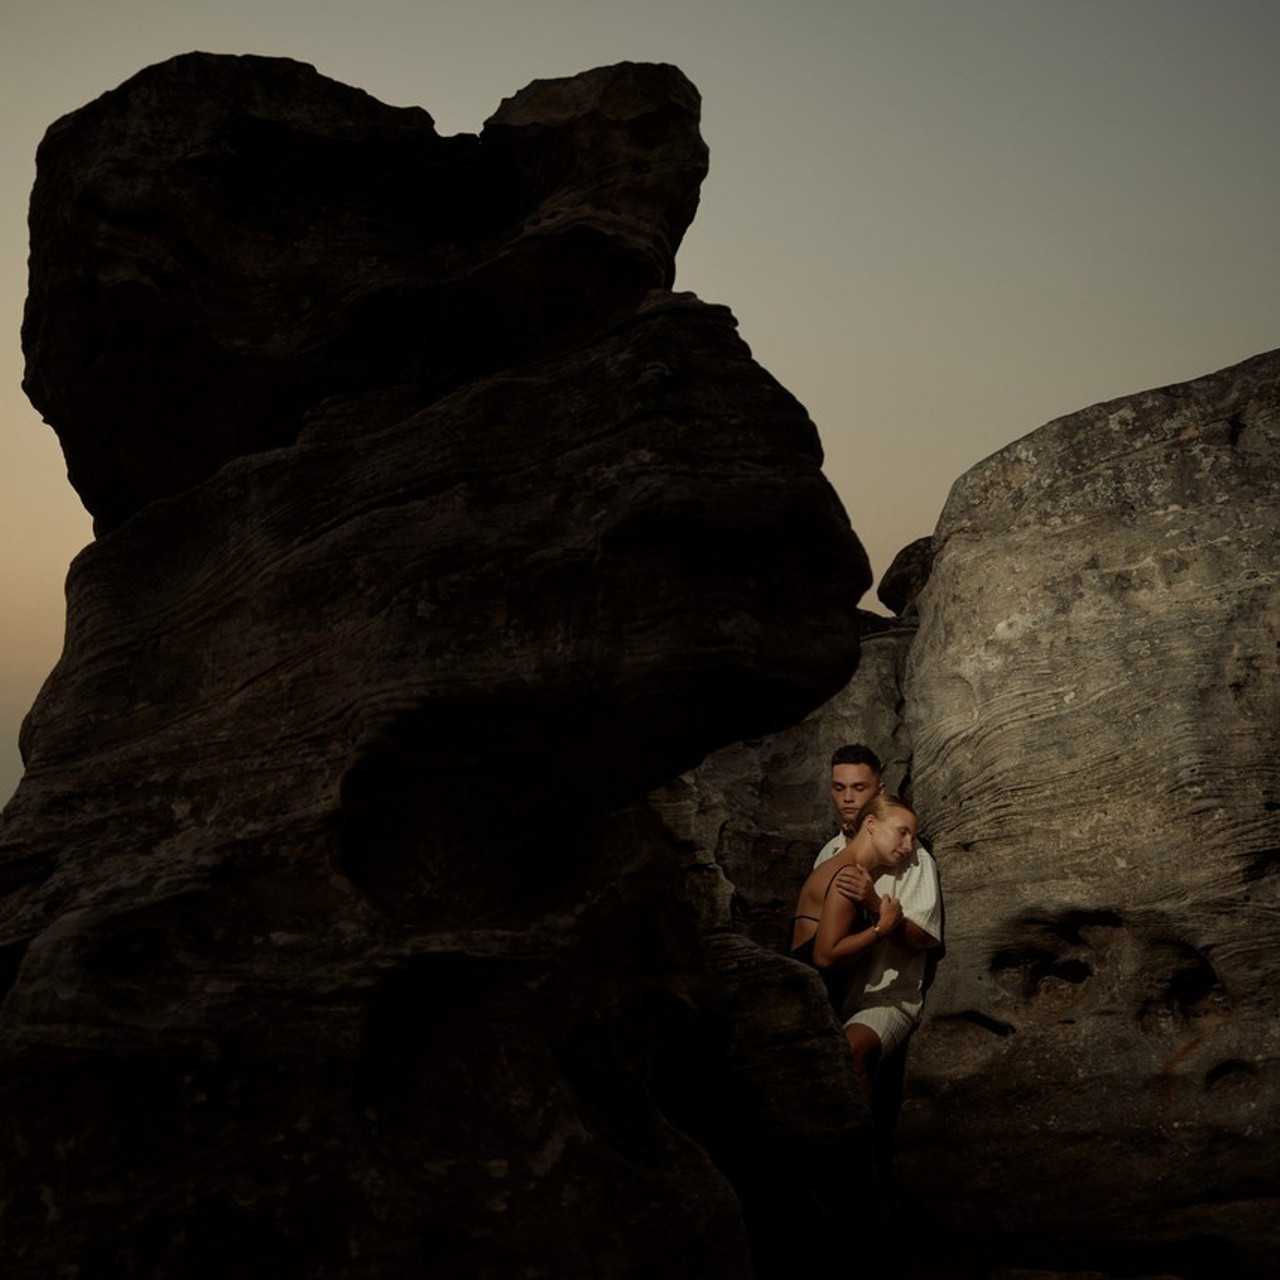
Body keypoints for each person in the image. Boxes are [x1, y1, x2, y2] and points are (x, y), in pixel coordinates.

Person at [804, 746, 944, 1117]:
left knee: (853, 1052)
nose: (848, 798)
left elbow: (922, 941)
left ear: (880, 791)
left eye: (859, 788)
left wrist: (873, 907)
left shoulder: (913, 857)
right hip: (831, 997)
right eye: (839, 788)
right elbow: (821, 950)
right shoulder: (829, 855)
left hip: (886, 1000)